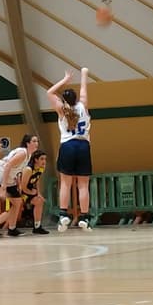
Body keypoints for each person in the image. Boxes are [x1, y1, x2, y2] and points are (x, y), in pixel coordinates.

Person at [46, 67, 93, 232]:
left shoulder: (61, 109)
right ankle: (85, 217)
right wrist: (84, 75)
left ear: (64, 100)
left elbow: (49, 93)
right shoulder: (83, 106)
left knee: (65, 184)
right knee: (83, 185)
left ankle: (63, 214)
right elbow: (84, 90)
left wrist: (65, 79)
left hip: (67, 145)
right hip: (83, 146)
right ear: (75, 99)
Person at [0, 134, 40, 237]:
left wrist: (18, 183)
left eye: (37, 141)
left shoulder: (28, 155)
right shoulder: (22, 153)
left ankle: (12, 229)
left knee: (17, 201)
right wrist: (3, 186)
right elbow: (8, 165)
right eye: (34, 141)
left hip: (9, 178)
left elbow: (17, 170)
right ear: (27, 143)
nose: (36, 144)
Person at [19, 149, 49, 234]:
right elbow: (22, 187)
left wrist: (39, 193)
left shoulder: (41, 168)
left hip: (30, 190)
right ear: (36, 160)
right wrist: (31, 192)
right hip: (21, 191)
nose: (44, 161)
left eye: (45, 159)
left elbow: (37, 180)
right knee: (14, 210)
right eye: (42, 159)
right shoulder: (28, 169)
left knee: (39, 201)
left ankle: (37, 226)